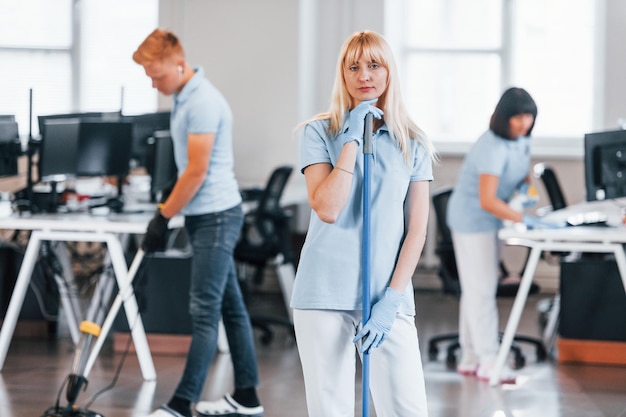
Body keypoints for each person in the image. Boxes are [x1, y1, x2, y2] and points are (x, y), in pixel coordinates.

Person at [291, 30, 437, 417]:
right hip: (323, 293)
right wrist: (352, 137)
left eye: (374, 65)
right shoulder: (319, 132)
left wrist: (392, 300)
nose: (363, 75)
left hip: (385, 295)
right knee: (331, 410)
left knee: (408, 409)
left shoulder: (414, 142)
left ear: (389, 72)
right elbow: (327, 207)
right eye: (353, 66)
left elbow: (417, 231)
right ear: (343, 74)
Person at [132, 29, 263, 417]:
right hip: (206, 214)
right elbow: (189, 164)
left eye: (157, 75)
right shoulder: (184, 96)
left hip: (216, 217)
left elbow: (198, 170)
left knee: (204, 309)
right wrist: (172, 193)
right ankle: (247, 396)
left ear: (179, 63)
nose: (154, 84)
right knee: (231, 308)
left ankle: (182, 403)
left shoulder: (202, 101)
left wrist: (162, 216)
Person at [446, 87, 560, 384]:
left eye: (529, 117)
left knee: (476, 289)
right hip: (472, 221)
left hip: (492, 222)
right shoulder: (491, 146)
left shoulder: (520, 140)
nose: (524, 123)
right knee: (482, 291)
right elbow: (487, 200)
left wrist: (526, 189)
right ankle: (488, 361)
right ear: (504, 117)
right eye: (518, 117)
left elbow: (522, 172)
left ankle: (470, 356)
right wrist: (524, 219)